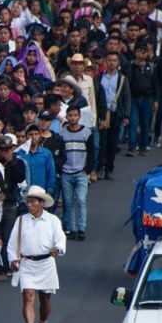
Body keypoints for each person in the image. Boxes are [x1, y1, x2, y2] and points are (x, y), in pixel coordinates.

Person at [7, 186, 68, 323]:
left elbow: (60, 238)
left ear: (41, 203)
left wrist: (58, 248)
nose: (29, 205)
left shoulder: (52, 220)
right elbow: (12, 244)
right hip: (27, 263)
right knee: (28, 295)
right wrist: (13, 259)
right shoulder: (21, 220)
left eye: (32, 202)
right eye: (28, 201)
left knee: (45, 299)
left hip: (46, 263)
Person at [56, 105, 95, 241]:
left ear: (79, 117)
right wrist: (60, 168)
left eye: (75, 115)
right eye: (70, 115)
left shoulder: (87, 132)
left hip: (81, 172)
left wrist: (88, 170)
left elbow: (92, 152)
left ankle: (81, 228)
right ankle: (72, 229)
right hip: (66, 172)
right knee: (68, 202)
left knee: (81, 200)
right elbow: (59, 153)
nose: (72, 118)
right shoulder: (62, 133)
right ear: (66, 117)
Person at [94, 51, 131, 181]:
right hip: (102, 115)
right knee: (101, 143)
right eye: (109, 60)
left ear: (118, 62)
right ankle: (99, 168)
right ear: (105, 61)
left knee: (112, 143)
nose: (112, 63)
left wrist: (126, 115)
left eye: (114, 60)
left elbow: (126, 97)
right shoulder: (99, 78)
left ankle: (109, 169)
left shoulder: (122, 78)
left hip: (116, 114)